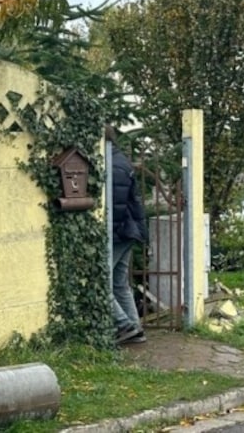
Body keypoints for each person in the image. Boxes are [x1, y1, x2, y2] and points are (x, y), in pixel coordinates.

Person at [106, 125, 148, 345]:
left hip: (119, 231)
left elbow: (115, 205)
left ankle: (125, 325)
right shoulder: (121, 160)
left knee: (102, 281)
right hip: (129, 230)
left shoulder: (110, 164)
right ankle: (136, 329)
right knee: (119, 283)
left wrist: (110, 232)